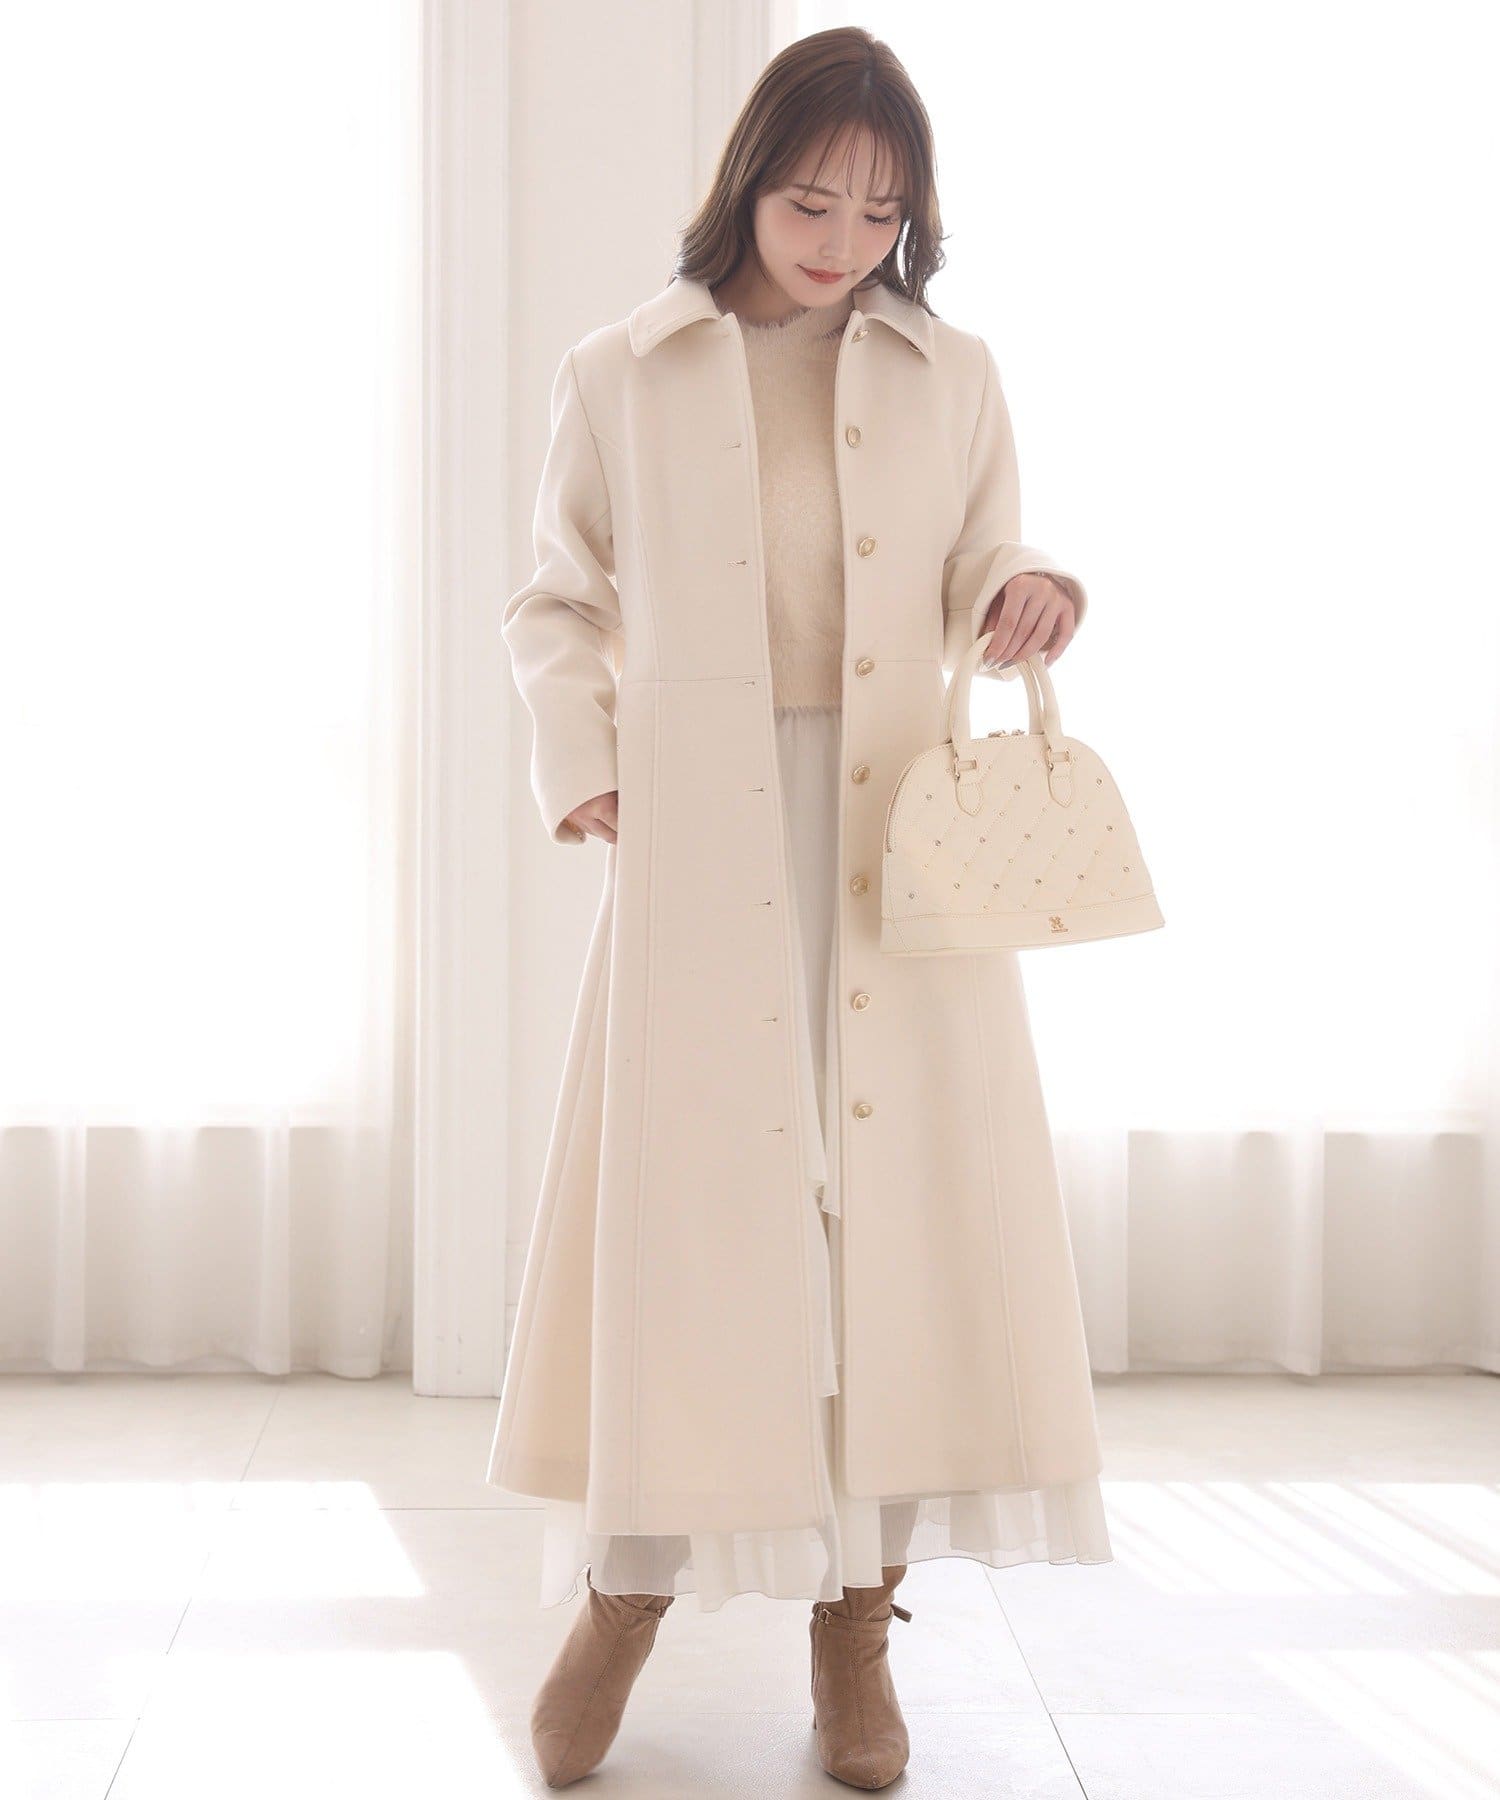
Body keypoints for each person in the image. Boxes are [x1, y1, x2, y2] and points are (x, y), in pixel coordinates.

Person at [494, 25, 1113, 1791]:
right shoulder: (623, 370)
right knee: (695, 1222)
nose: (843, 240)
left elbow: (980, 550)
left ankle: (859, 1624)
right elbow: (556, 601)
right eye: (810, 201)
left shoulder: (950, 371)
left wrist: (1030, 585)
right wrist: (581, 758)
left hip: (892, 827)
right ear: (747, 185)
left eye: (879, 211)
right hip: (704, 834)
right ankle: (625, 1595)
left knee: (894, 1233)